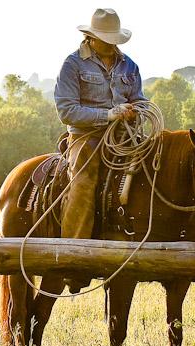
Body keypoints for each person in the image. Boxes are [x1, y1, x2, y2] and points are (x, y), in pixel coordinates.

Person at [54, 8, 147, 239]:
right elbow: (67, 111)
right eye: (106, 40)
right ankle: (74, 249)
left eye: (113, 40)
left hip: (125, 137)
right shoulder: (73, 64)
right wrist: (108, 115)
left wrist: (137, 110)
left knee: (155, 166)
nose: (111, 45)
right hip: (86, 138)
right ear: (91, 38)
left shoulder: (130, 66)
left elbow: (139, 99)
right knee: (83, 181)